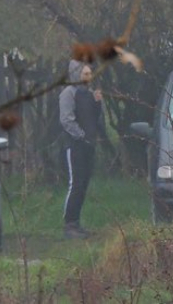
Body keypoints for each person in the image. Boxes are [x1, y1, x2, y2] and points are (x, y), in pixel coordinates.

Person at [59, 59, 105, 239]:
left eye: (90, 74)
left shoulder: (90, 93)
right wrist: (81, 136)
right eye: (85, 74)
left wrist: (98, 103)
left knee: (84, 184)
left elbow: (94, 118)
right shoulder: (68, 93)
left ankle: (76, 224)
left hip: (88, 145)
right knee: (76, 184)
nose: (89, 77)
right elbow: (66, 120)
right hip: (75, 146)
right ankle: (69, 224)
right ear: (76, 75)